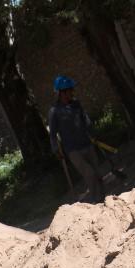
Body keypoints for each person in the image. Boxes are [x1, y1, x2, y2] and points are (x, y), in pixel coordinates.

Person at [48, 75, 104, 204]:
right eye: (70, 90)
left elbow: (85, 119)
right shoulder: (54, 111)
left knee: (97, 172)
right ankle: (96, 201)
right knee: (89, 173)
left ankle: (104, 198)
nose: (73, 92)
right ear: (62, 93)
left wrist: (93, 133)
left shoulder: (76, 104)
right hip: (73, 150)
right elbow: (53, 134)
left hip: (87, 144)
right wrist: (56, 149)